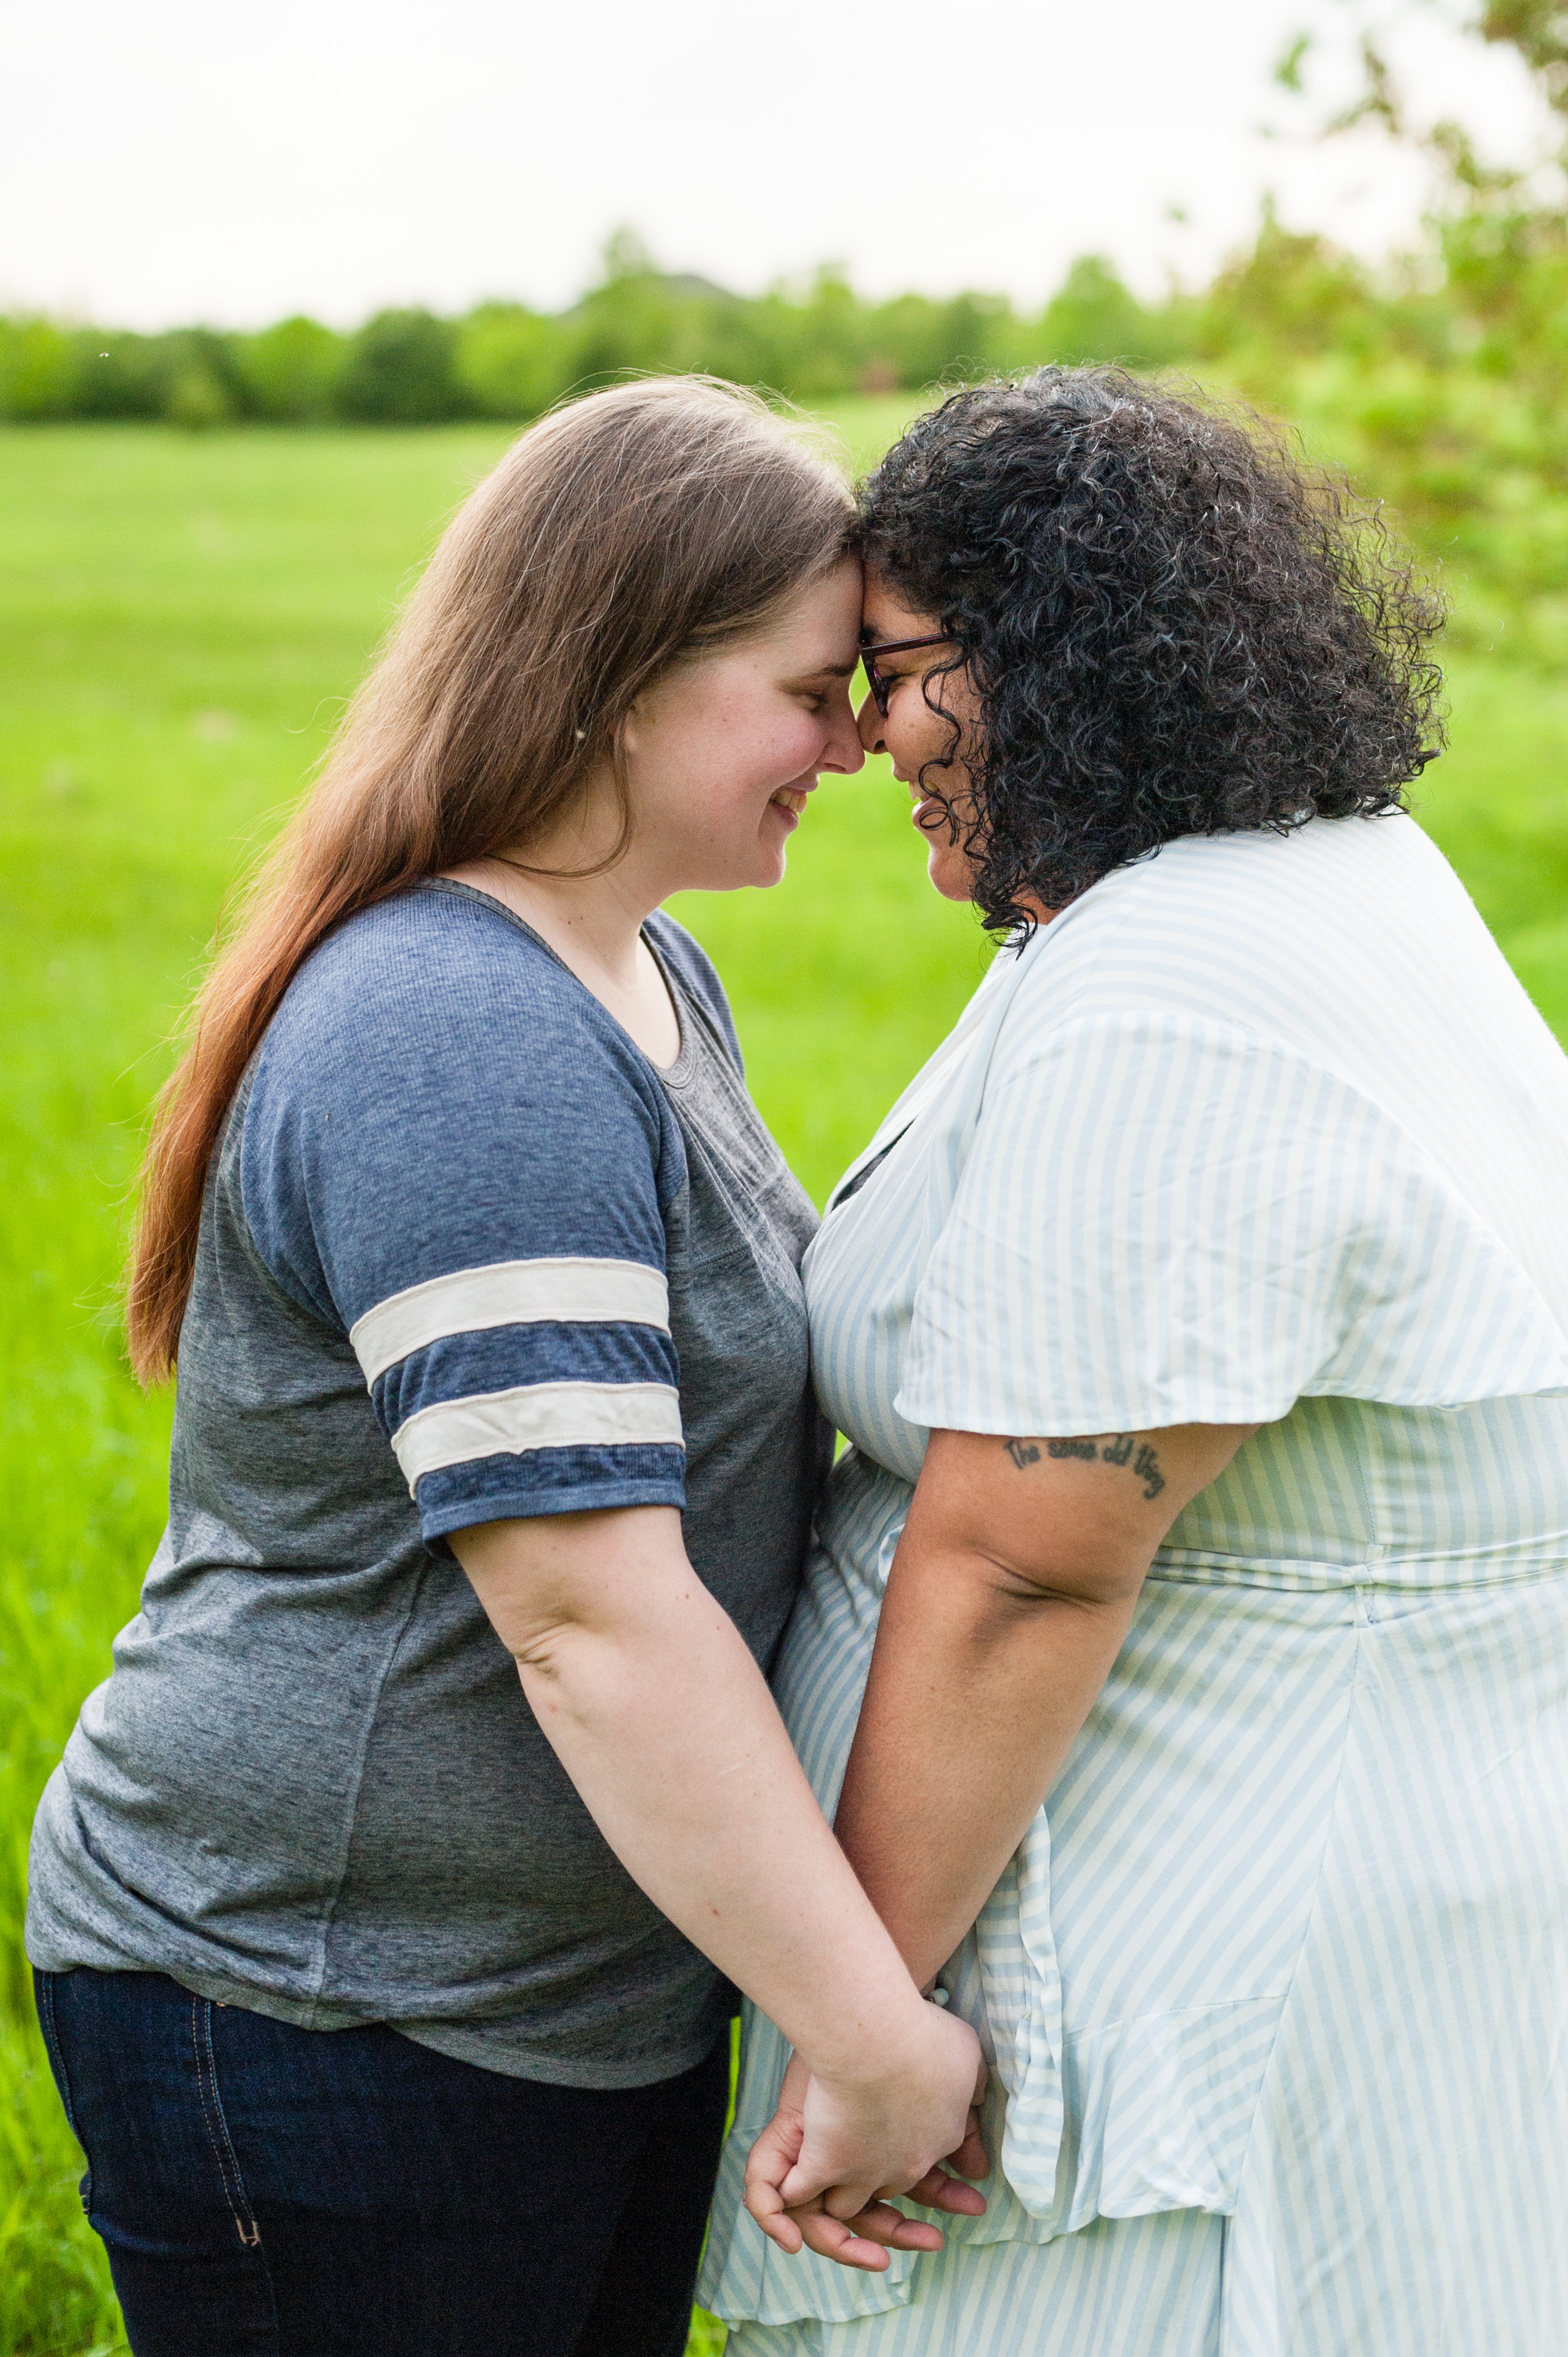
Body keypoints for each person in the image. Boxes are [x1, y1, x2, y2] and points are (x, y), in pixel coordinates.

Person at [25, 378, 983, 2357]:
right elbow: (588, 1619)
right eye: (814, 691)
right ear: (621, 677)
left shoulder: (630, 964)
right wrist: (865, 2030)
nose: (864, 744)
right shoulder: (454, 1036)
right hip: (330, 2006)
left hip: (553, 2000)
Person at [701, 369, 1568, 2355]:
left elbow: (1026, 1562)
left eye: (899, 669)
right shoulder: (1287, 883)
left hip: (1179, 1970)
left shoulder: (1178, 981)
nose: (863, 739)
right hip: (1287, 1901)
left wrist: (862, 2012)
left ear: (1054, 655)